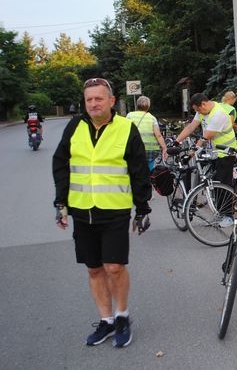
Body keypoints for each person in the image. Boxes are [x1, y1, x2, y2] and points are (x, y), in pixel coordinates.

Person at [52, 77, 152, 348]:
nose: (94, 103)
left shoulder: (126, 128)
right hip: (82, 209)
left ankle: (122, 316)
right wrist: (61, 203)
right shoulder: (75, 126)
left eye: (99, 98)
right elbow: (61, 164)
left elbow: (139, 171)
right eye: (89, 100)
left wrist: (142, 208)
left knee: (114, 266)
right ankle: (106, 321)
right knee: (95, 269)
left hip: (115, 209)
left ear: (111, 100)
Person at [175, 93, 237, 204]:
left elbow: (206, 136)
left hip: (226, 153)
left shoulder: (219, 114)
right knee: (210, 182)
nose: (198, 113)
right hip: (213, 152)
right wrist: (176, 142)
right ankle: (194, 202)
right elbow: (190, 127)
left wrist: (191, 153)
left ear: (203, 104)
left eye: (198, 110)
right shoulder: (202, 111)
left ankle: (227, 216)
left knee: (222, 185)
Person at [126, 96, 167, 171]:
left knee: (135, 168)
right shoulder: (152, 118)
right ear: (148, 106)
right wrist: (164, 148)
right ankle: (149, 180)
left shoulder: (129, 116)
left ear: (137, 105)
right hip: (150, 150)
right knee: (149, 169)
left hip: (135, 148)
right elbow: (158, 135)